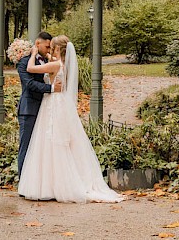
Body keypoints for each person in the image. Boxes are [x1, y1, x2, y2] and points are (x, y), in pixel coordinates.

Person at [18, 35, 123, 203]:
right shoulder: (63, 65)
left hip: (52, 103)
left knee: (51, 141)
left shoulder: (54, 65)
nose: (50, 50)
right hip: (60, 103)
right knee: (59, 142)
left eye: (52, 48)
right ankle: (56, 184)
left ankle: (50, 185)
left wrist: (32, 54)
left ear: (58, 49)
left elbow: (30, 68)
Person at [9, 32, 59, 177]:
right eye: (47, 46)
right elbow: (29, 84)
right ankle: (23, 181)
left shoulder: (47, 60)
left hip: (45, 109)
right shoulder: (24, 62)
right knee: (26, 146)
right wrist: (51, 88)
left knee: (40, 148)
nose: (49, 50)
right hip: (29, 110)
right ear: (37, 44)